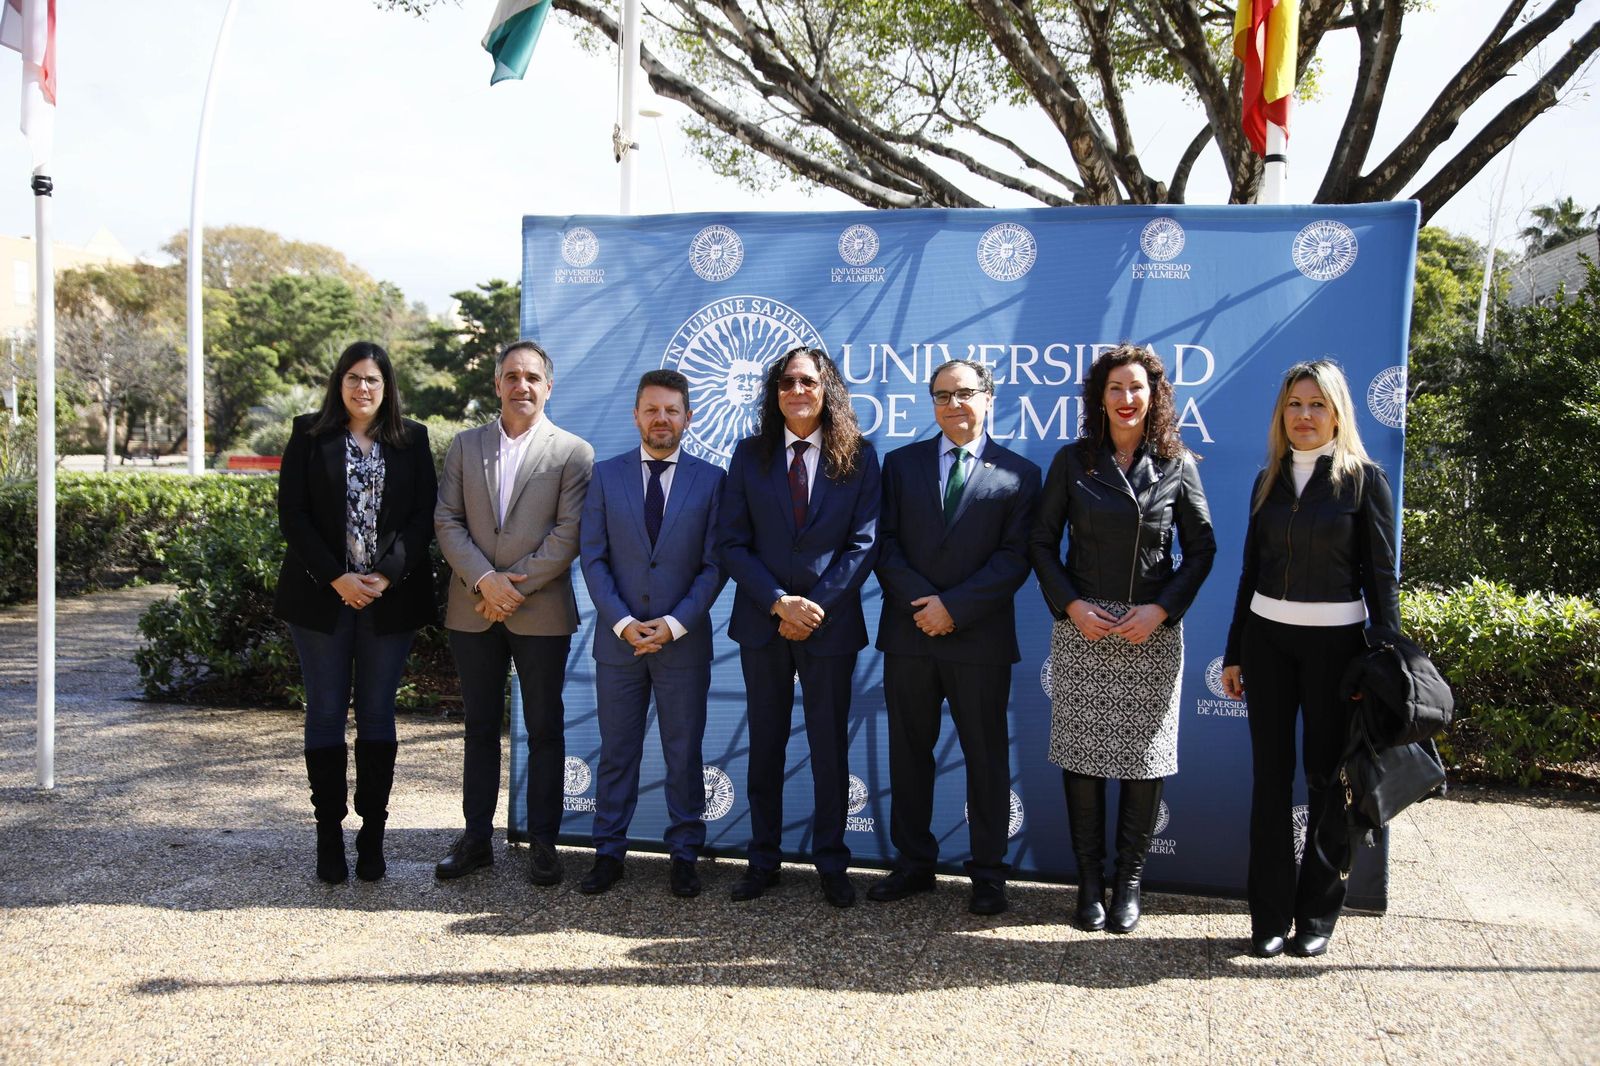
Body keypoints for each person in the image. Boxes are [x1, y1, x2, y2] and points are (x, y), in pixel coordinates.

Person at [1029, 343, 1215, 934]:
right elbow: (1040, 544)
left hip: (1150, 633)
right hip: (1085, 627)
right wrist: (1072, 605)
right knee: (1082, 757)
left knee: (1143, 760)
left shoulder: (1178, 463)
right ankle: (1089, 882)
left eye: (1137, 388)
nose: (1127, 399)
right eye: (1116, 388)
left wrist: (1161, 609)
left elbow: (1202, 548)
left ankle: (1129, 883)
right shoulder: (1073, 461)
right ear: (1099, 397)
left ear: (1154, 395)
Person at [1220, 359, 1400, 960]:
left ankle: (1317, 916)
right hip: (1268, 645)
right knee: (1269, 783)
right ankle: (1268, 918)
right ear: (1281, 414)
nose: (1304, 416)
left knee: (1326, 784)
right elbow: (1250, 572)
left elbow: (1380, 577)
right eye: (1294, 405)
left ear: (1337, 413)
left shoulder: (1364, 480)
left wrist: (1383, 657)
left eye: (1316, 405)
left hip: (1337, 650)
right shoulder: (1267, 478)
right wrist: (1235, 650)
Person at [868, 359, 1040, 916]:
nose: (953, 405)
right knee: (908, 754)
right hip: (910, 631)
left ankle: (988, 873)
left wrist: (955, 609)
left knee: (985, 758)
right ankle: (914, 864)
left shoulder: (1020, 473)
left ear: (988, 397)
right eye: (941, 396)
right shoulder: (900, 465)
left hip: (978, 639)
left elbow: (1016, 557)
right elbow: (883, 544)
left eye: (964, 393)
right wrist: (926, 605)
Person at [716, 346, 880, 908]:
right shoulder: (749, 455)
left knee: (829, 745)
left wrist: (814, 608)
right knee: (765, 745)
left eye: (808, 381)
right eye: (786, 382)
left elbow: (863, 544)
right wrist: (780, 602)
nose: (797, 391)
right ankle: (763, 860)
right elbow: (731, 542)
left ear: (826, 389)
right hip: (764, 623)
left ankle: (832, 862)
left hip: (829, 628)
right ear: (774, 393)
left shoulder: (858, 457)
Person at [274, 340, 437, 885]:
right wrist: (337, 577)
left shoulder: (412, 440)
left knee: (376, 713)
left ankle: (372, 835)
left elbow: (423, 517)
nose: (362, 388)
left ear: (387, 387)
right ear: (338, 383)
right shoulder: (309, 434)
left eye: (372, 379)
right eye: (353, 378)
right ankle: (328, 835)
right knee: (324, 711)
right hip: (321, 597)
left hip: (390, 598)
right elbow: (292, 516)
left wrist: (385, 574)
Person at [432, 339, 594, 885]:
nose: (521, 385)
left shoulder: (574, 452)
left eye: (532, 377)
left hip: (539, 610)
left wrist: (511, 587)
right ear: (497, 384)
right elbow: (447, 520)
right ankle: (476, 836)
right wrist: (484, 579)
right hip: (472, 606)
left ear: (548, 387)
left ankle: (545, 842)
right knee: (478, 727)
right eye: (511, 376)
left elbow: (568, 533)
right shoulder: (464, 446)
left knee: (545, 726)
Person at [577, 369, 728, 899]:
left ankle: (685, 854)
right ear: (636, 414)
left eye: (671, 410)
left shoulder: (712, 481)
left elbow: (714, 565)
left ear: (689, 417)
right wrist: (623, 623)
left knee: (683, 753)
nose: (661, 419)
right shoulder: (604, 475)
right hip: (617, 643)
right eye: (651, 410)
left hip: (682, 644)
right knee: (618, 752)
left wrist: (672, 624)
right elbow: (592, 558)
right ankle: (608, 851)